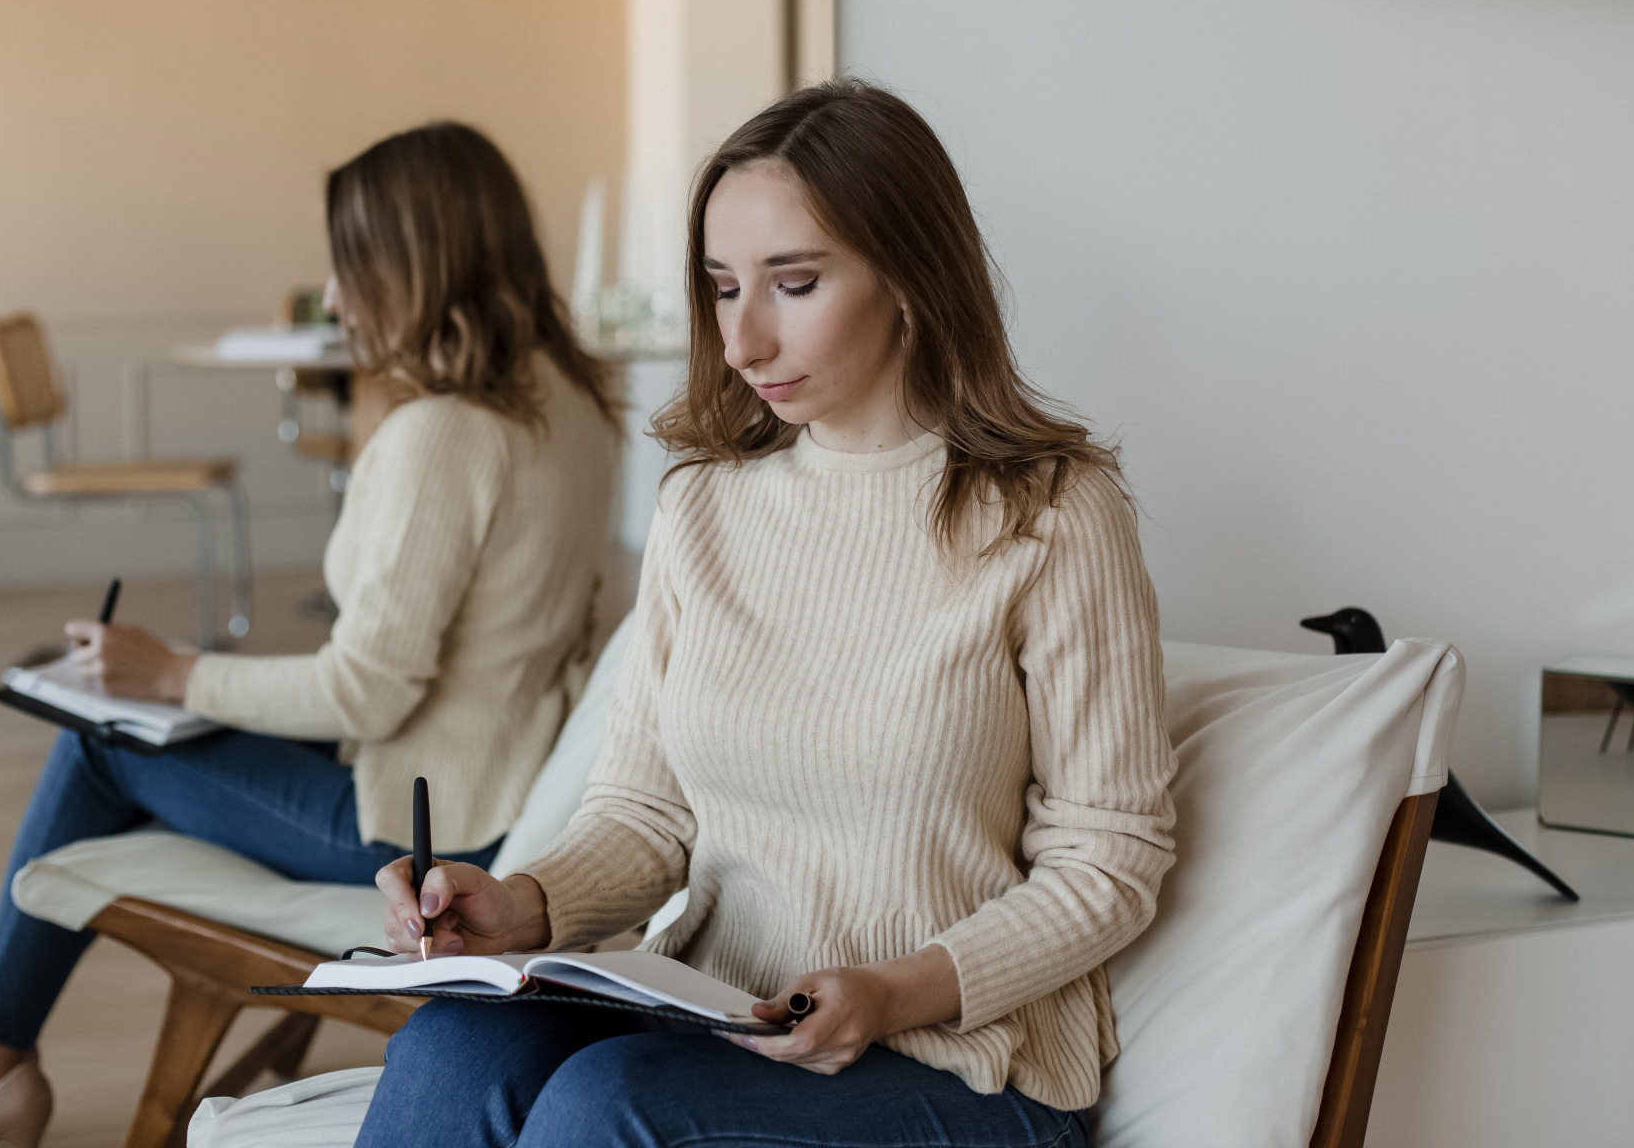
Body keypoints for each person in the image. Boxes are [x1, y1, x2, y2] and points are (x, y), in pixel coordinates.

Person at [353, 81, 1177, 1148]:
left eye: (792, 283)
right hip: (718, 1012)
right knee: (446, 1046)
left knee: (604, 1108)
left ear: (912, 276)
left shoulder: (1054, 512)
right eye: (721, 285)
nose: (741, 339)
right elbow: (647, 811)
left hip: (966, 1064)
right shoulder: (702, 504)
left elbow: (1110, 858)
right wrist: (521, 903)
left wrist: (892, 991)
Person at [0, 122, 620, 1148]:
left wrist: (173, 671)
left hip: (417, 830)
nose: (336, 299)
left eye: (349, 267)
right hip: (492, 793)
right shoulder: (572, 403)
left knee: (98, 742)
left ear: (412, 263)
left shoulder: (445, 433)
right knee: (130, 725)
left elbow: (364, 692)